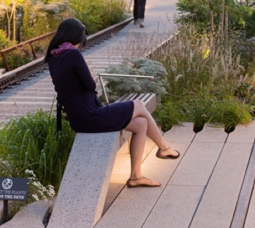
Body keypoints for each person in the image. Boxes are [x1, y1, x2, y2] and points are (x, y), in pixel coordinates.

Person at [46, 18, 180, 188]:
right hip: (90, 116)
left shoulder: (54, 58)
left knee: (140, 123)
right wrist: (91, 78)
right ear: (75, 37)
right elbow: (90, 85)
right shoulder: (72, 54)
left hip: (80, 118)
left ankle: (136, 176)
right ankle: (164, 147)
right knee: (138, 104)